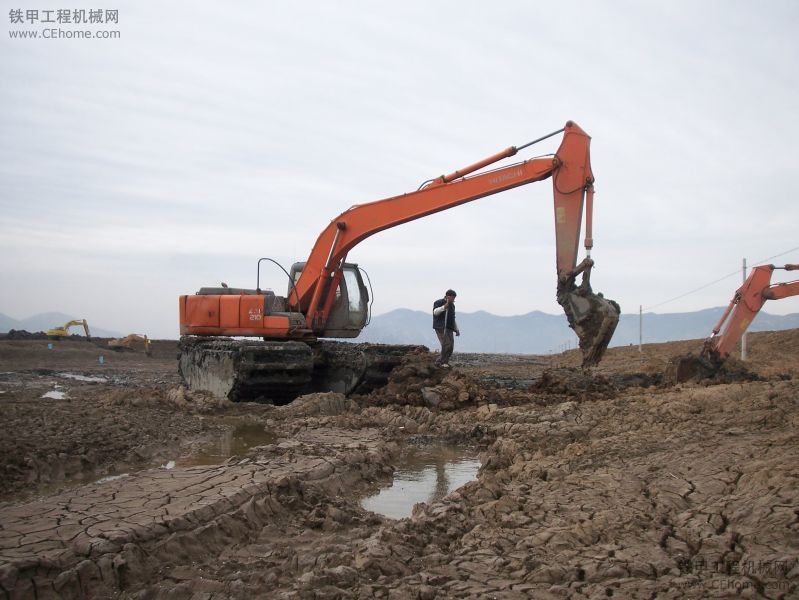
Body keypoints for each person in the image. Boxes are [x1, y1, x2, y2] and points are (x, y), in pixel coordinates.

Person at [432, 289, 460, 367]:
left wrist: (456, 329)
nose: (454, 299)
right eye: (453, 298)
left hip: (449, 328)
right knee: (446, 344)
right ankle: (440, 361)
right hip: (441, 327)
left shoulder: (452, 306)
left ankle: (445, 361)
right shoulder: (439, 302)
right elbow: (435, 312)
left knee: (451, 346)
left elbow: (452, 318)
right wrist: (444, 307)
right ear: (448, 296)